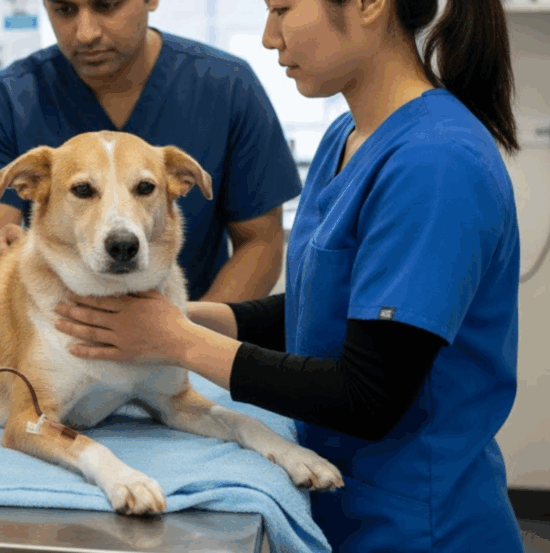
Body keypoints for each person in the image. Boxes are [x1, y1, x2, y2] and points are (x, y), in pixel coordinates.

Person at [49, 0, 526, 551]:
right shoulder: (348, 137)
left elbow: (369, 395)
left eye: (282, 8)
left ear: (369, 4)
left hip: (421, 526)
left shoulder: (435, 163)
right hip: (342, 507)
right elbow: (330, 308)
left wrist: (180, 341)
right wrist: (190, 316)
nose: (269, 37)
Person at [0, 0, 301, 303]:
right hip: (54, 330)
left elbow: (260, 244)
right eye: (64, 9)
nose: (85, 33)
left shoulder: (227, 85)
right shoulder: (6, 100)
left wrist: (186, 337)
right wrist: (7, 246)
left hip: (194, 320)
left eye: (107, 5)